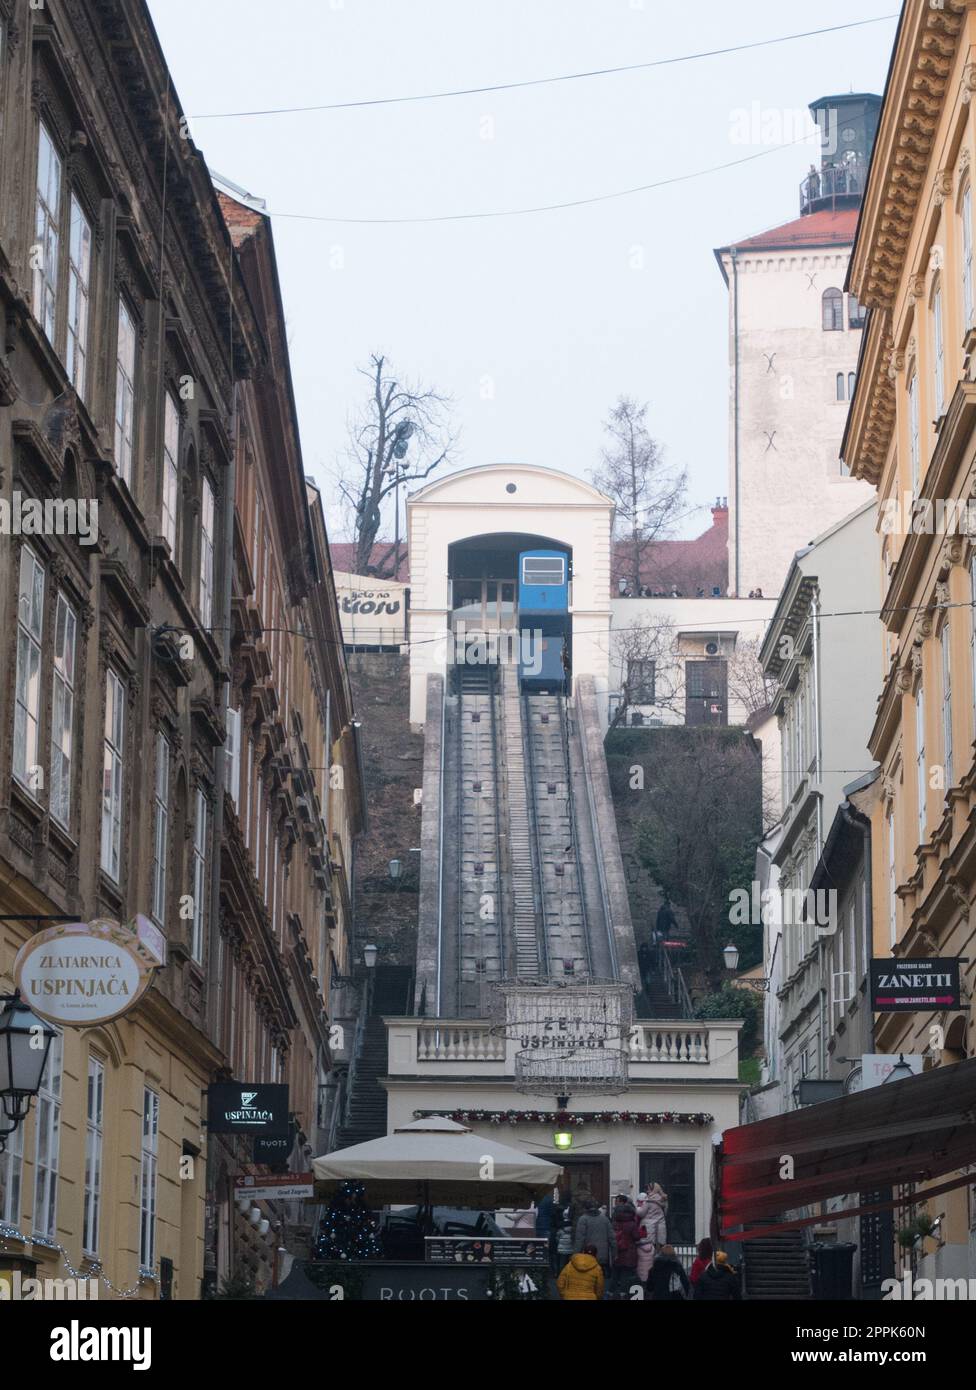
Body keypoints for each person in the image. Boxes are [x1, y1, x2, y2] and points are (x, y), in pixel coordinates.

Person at [574, 1198, 614, 1286]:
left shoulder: (583, 1219)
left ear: (585, 1208)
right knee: (601, 1281)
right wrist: (615, 1253)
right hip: (603, 1256)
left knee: (589, 1281)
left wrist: (575, 1254)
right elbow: (612, 1238)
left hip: (589, 1254)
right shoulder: (605, 1219)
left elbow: (580, 1239)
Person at [610, 1195, 641, 1296]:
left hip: (617, 1251)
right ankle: (623, 1293)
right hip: (629, 1252)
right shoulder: (632, 1223)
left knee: (615, 1274)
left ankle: (611, 1292)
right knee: (626, 1274)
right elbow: (636, 1237)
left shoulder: (615, 1222)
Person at [640, 1181, 668, 1255]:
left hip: (650, 1227)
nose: (647, 1191)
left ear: (653, 1190)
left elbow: (642, 1213)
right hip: (661, 1225)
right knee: (661, 1245)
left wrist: (636, 1209)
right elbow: (665, 1212)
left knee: (651, 1248)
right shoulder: (663, 1199)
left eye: (648, 1189)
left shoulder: (648, 1200)